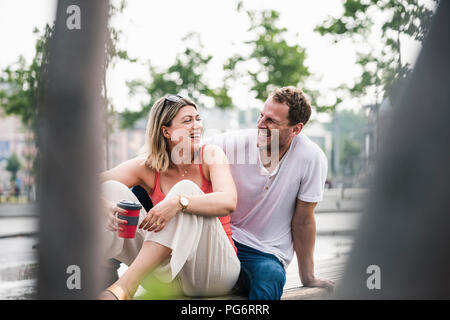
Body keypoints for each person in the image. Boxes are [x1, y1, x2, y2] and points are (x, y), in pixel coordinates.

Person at [98, 94, 240, 299]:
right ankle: (98, 272)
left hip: (213, 274)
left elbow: (229, 201)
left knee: (185, 190)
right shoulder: (147, 166)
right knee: (109, 188)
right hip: (168, 278)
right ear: (166, 131)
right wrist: (103, 205)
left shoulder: (211, 155)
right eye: (187, 121)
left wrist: (178, 202)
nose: (197, 126)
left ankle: (125, 287)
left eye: (198, 119)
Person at [207, 86, 335, 299]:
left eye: (271, 121)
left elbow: (303, 221)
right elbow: (179, 155)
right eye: (261, 115)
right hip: (222, 239)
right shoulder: (234, 142)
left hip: (264, 254)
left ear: (296, 129)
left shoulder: (311, 158)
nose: (260, 124)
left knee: (271, 275)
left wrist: (308, 276)